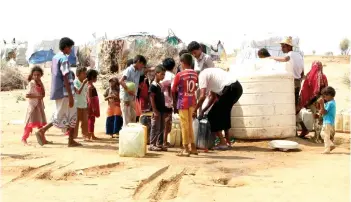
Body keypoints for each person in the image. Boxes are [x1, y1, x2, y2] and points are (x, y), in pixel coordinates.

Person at [35, 37, 81, 147]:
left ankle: (70, 140)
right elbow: (65, 77)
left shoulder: (55, 58)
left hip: (58, 91)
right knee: (64, 114)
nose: (71, 50)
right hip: (65, 92)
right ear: (66, 47)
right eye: (70, 47)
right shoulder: (64, 59)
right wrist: (70, 95)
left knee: (68, 114)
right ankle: (42, 131)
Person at [194, 68, 243, 150]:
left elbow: (202, 97)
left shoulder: (202, 76)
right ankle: (227, 142)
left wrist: (195, 110)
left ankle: (222, 143)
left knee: (212, 115)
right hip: (237, 88)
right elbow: (213, 97)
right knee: (224, 114)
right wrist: (203, 110)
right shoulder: (210, 75)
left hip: (229, 89)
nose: (196, 83)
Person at [172, 53, 198, 157]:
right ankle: (193, 147)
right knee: (191, 125)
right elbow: (196, 87)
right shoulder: (195, 74)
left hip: (183, 101)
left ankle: (186, 148)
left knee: (184, 125)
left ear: (182, 63)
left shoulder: (180, 74)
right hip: (192, 101)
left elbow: (173, 89)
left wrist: (179, 89)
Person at [270, 36, 304, 111]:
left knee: (289, 104)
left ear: (288, 47)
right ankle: (297, 120)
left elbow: (285, 59)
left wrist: (271, 57)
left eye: (283, 46)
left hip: (291, 82)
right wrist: (299, 80)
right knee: (295, 103)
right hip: (298, 82)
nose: (281, 48)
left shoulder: (290, 54)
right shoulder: (299, 55)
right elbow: (302, 72)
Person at [298, 61, 328, 140]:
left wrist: (306, 101)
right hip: (320, 101)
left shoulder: (308, 76)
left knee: (316, 117)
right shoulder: (323, 77)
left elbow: (305, 89)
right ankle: (318, 137)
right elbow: (326, 89)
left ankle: (317, 137)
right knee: (318, 118)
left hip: (311, 102)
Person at [22, 66, 50, 145]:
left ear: (41, 75)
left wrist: (41, 87)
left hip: (39, 105)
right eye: (35, 75)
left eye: (38, 75)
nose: (36, 76)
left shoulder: (40, 83)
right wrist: (37, 97)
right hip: (33, 106)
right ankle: (24, 139)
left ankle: (43, 139)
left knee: (40, 124)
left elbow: (43, 94)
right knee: (29, 123)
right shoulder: (32, 83)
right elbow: (27, 95)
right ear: (32, 75)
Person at [119, 55, 147, 127]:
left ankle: (131, 135)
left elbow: (146, 71)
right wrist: (128, 90)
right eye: (142, 64)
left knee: (133, 117)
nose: (142, 67)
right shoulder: (128, 70)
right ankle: (126, 135)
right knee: (127, 117)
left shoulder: (138, 71)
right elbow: (121, 81)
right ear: (138, 62)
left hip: (132, 96)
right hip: (126, 97)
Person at [149, 65, 166, 151]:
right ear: (156, 74)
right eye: (162, 74)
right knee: (155, 127)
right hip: (157, 110)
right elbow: (151, 97)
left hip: (162, 110)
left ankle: (159, 143)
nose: (163, 76)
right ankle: (152, 144)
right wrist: (155, 110)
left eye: (164, 74)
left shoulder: (159, 84)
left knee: (161, 127)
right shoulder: (153, 85)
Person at [161, 58, 176, 147]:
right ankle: (164, 141)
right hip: (168, 102)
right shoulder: (172, 76)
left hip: (160, 100)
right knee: (167, 122)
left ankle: (161, 140)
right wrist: (174, 102)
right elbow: (173, 90)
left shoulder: (161, 74)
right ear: (173, 66)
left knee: (162, 121)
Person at [318, 86, 336, 154]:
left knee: (326, 135)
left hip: (328, 122)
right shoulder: (329, 103)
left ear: (330, 95)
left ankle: (327, 150)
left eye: (325, 95)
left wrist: (321, 103)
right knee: (323, 134)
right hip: (327, 121)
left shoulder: (331, 103)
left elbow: (324, 112)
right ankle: (331, 145)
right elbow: (323, 111)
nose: (324, 97)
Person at [73, 66, 89, 141]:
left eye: (85, 73)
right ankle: (74, 135)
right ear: (78, 74)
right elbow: (78, 92)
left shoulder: (85, 83)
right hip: (77, 105)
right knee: (76, 121)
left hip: (84, 104)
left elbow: (85, 94)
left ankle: (85, 135)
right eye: (83, 73)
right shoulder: (75, 82)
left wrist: (87, 102)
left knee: (85, 121)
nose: (85, 75)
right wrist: (83, 83)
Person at [87, 69, 100, 140]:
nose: (96, 78)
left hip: (92, 105)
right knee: (91, 120)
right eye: (96, 77)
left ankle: (92, 134)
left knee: (92, 120)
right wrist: (92, 107)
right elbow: (89, 98)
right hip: (91, 106)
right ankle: (89, 134)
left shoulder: (90, 85)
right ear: (92, 77)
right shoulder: (89, 86)